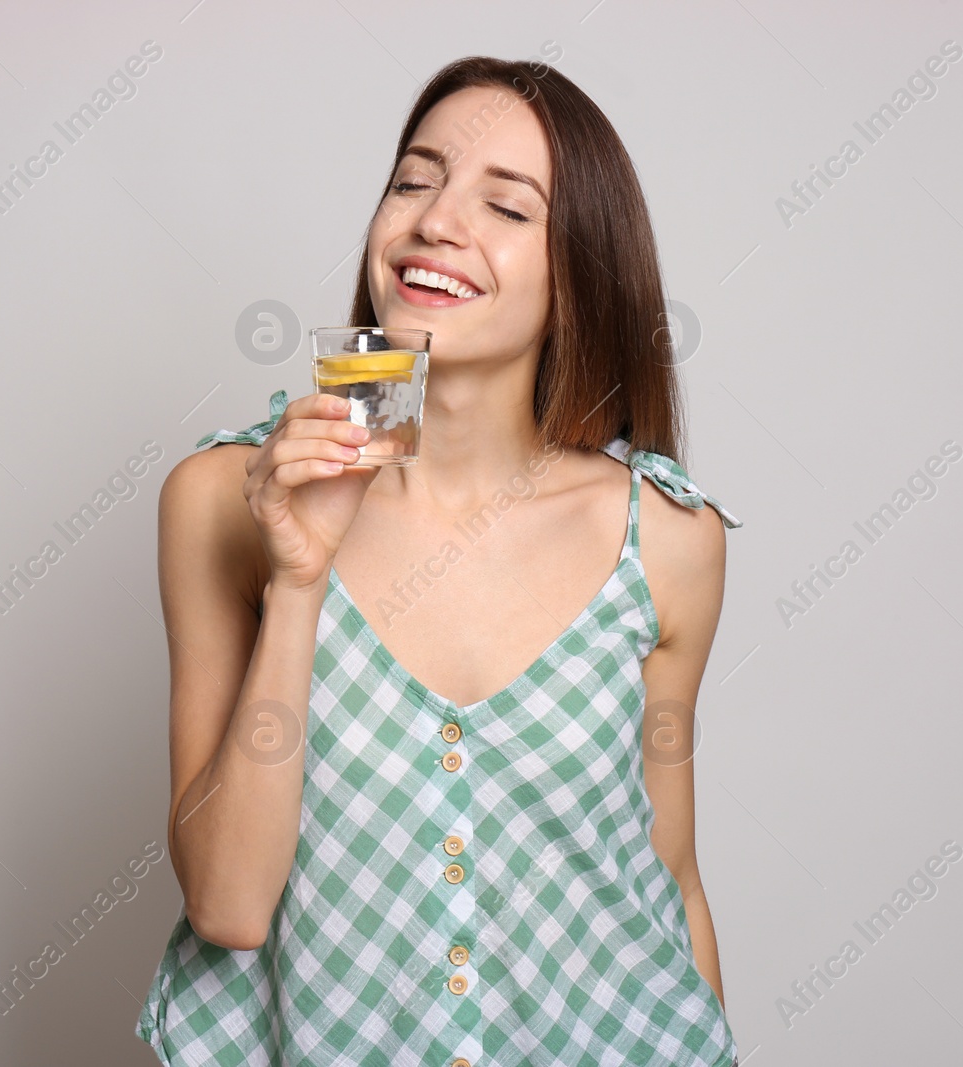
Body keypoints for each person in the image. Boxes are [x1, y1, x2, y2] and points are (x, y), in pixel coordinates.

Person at [137, 54, 743, 1067]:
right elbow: (228, 904)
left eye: (506, 207)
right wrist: (300, 578)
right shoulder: (222, 502)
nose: (435, 221)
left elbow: (669, 875)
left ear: (579, 273)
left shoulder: (668, 540)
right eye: (415, 180)